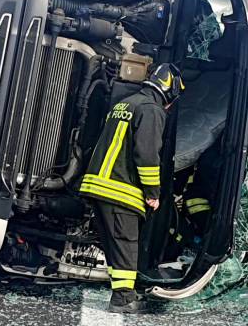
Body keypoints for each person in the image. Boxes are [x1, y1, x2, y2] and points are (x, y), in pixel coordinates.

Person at [79, 63, 184, 314]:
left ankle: (124, 291)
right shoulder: (151, 110)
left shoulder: (125, 103)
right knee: (127, 243)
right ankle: (123, 299)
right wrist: (153, 194)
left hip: (98, 185)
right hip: (119, 189)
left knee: (115, 245)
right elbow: (147, 156)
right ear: (168, 93)